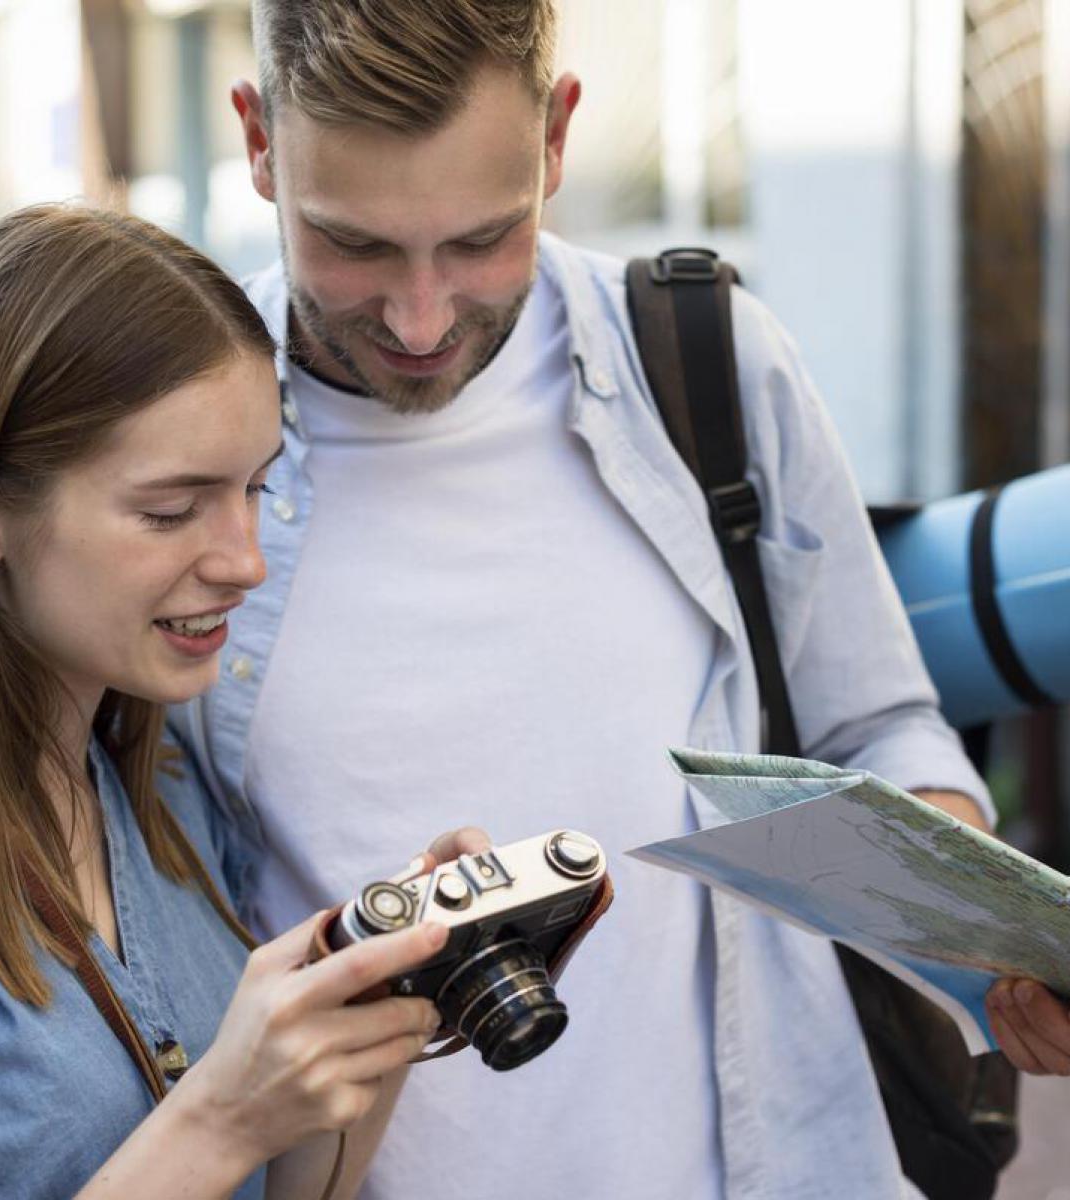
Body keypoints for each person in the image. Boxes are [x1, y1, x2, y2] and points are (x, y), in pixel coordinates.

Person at [166, 2, 1070, 1198]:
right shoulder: (166, 445)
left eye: (485, 239)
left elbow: (877, 727)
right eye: (360, 247)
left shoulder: (706, 360)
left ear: (556, 135)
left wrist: (990, 937)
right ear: (259, 141)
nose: (422, 317)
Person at [0, 203, 477, 1199]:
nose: (243, 562)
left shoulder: (165, 791)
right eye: (169, 510)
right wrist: (226, 1113)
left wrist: (390, 989)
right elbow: (221, 1138)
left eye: (254, 491)